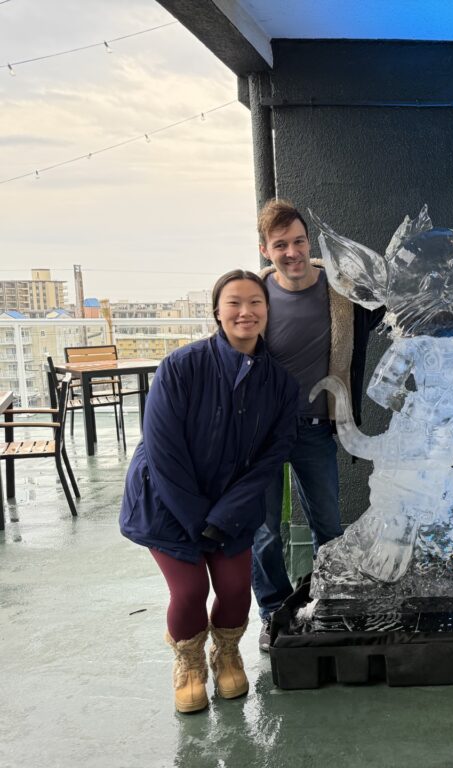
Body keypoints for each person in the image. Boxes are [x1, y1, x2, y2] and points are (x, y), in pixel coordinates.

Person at [119, 270, 299, 714]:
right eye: (234, 303)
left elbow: (269, 460)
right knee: (190, 589)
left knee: (237, 587)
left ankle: (227, 652)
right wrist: (198, 519)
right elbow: (163, 451)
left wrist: (222, 518)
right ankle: (190, 663)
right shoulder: (181, 366)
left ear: (267, 311)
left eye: (255, 303)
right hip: (165, 503)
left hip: (231, 508)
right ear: (217, 312)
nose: (245, 312)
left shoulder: (279, 384)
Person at [252, 198, 382, 651]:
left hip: (314, 428)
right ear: (265, 249)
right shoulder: (256, 295)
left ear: (310, 242)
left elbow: (388, 301)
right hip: (261, 433)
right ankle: (272, 613)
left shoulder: (341, 289)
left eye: (299, 241)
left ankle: (333, 603)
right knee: (265, 530)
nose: (292, 252)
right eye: (280, 244)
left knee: (328, 523)